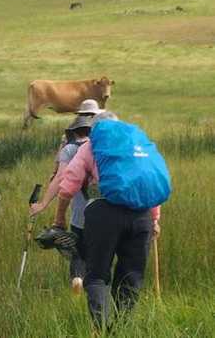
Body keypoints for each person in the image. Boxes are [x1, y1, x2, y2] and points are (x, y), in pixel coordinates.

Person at [48, 112, 164, 329]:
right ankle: (121, 328)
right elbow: (149, 182)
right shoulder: (136, 145)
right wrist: (155, 219)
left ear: (95, 130)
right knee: (131, 276)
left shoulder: (91, 146)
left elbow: (68, 185)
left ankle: (100, 329)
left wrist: (59, 218)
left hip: (103, 213)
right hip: (141, 215)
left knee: (98, 275)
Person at [30, 116, 95, 293]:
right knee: (98, 255)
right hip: (104, 211)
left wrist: (43, 204)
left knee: (77, 253)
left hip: (79, 214)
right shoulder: (100, 148)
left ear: (73, 132)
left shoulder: (69, 150)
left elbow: (60, 178)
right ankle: (94, 286)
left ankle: (77, 280)